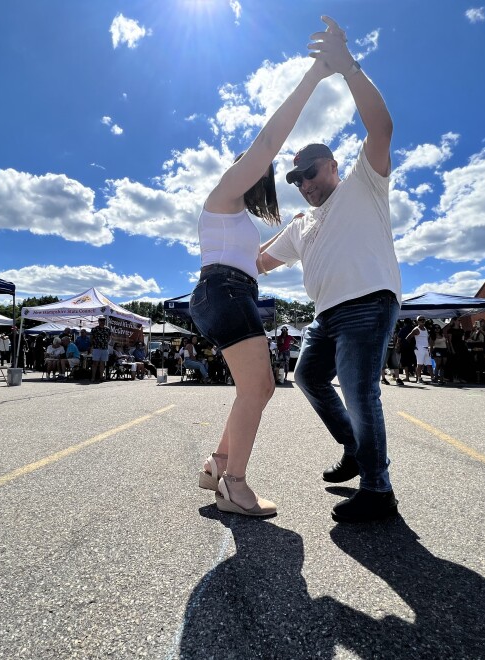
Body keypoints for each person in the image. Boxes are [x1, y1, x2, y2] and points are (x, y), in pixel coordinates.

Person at [190, 20, 335, 518]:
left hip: (233, 291)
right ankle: (235, 484)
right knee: (261, 387)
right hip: (224, 294)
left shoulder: (236, 219)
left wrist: (286, 231)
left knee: (252, 387)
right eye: (255, 166)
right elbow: (269, 142)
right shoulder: (224, 192)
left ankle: (218, 464)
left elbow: (254, 262)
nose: (262, 172)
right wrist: (314, 77)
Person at [258, 17, 401, 523]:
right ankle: (354, 450)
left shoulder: (365, 184)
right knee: (306, 378)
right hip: (326, 315)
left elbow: (381, 127)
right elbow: (259, 260)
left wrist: (348, 68)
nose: (305, 184)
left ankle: (379, 489)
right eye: (296, 179)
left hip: (367, 301)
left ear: (333, 165)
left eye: (311, 174)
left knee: (361, 391)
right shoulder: (303, 223)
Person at [406, 317, 431, 384]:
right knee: (419, 364)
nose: (422, 321)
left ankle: (433, 378)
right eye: (420, 320)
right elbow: (408, 337)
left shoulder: (425, 329)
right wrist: (413, 346)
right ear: (417, 321)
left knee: (429, 364)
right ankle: (419, 379)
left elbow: (427, 339)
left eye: (423, 319)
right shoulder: (416, 329)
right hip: (419, 348)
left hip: (426, 348)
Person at [89, 317, 111, 382]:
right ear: (98, 321)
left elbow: (109, 337)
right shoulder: (94, 329)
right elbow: (91, 338)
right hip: (96, 348)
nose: (102, 322)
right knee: (95, 363)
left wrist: (106, 342)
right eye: (101, 320)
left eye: (103, 320)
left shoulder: (107, 329)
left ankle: (101, 377)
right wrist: (93, 344)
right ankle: (93, 377)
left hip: (104, 348)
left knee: (102, 363)